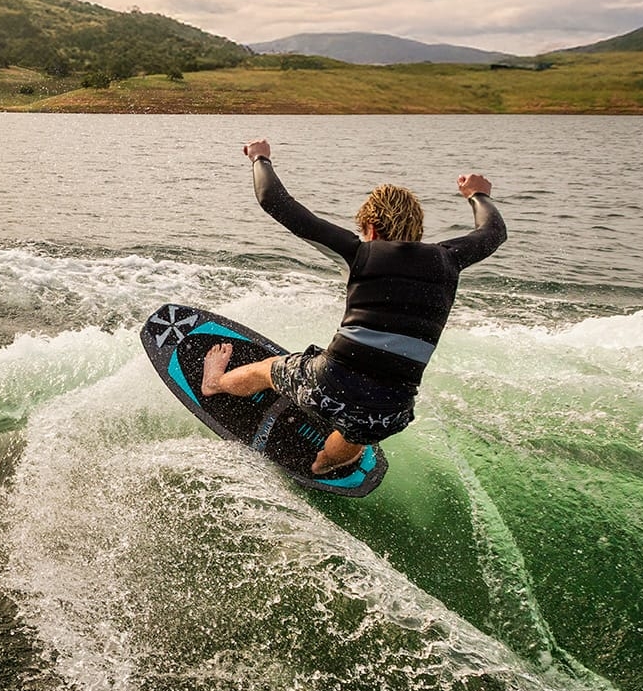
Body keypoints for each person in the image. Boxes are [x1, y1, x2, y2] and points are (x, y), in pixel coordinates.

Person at [200, 138, 506, 475]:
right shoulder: (449, 260)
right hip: (393, 412)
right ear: (418, 232)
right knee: (361, 428)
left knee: (268, 370)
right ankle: (324, 463)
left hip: (327, 385)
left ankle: (215, 383)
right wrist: (478, 194)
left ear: (370, 229)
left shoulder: (362, 253)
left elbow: (274, 200)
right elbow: (493, 231)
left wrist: (260, 157)